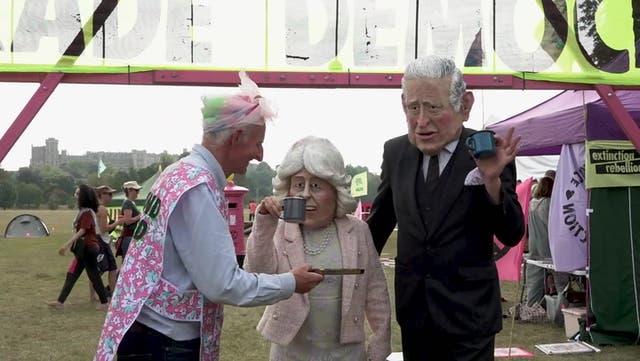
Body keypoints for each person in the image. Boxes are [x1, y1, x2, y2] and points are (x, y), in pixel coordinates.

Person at [95, 71, 324, 361]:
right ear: (237, 137)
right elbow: (222, 284)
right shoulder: (198, 187)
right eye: (258, 142)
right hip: (166, 343)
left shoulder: (178, 173)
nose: (260, 155)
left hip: (149, 332)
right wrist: (290, 282)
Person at [366, 55, 525, 361]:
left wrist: (491, 183)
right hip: (415, 313)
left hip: (470, 316)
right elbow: (377, 226)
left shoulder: (488, 150)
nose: (421, 121)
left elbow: (512, 232)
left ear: (464, 105)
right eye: (413, 108)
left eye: (433, 107)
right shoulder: (395, 151)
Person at [244, 136, 391, 361]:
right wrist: (264, 223)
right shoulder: (280, 229)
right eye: (299, 185)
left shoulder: (358, 230)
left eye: (315, 185)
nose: (304, 194)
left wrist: (379, 347)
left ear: (336, 190)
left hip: (347, 354)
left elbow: (376, 292)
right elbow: (257, 272)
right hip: (291, 352)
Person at [47, 184, 110, 311]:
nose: (75, 196)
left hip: (88, 248)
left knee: (93, 275)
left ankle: (104, 302)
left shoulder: (87, 212)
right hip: (83, 249)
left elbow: (82, 230)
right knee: (72, 274)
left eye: (77, 194)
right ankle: (60, 302)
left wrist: (66, 245)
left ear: (83, 197)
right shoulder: (84, 211)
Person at [525, 176, 569, 324]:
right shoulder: (549, 204)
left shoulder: (531, 203)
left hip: (534, 248)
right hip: (550, 249)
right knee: (562, 283)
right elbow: (556, 226)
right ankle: (561, 312)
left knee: (534, 283)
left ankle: (531, 309)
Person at [89, 185, 123, 301]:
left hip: (101, 240)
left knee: (112, 268)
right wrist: (118, 222)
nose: (111, 197)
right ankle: (94, 295)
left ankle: (112, 294)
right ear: (102, 195)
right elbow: (104, 229)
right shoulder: (102, 209)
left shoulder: (94, 207)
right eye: (109, 194)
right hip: (101, 241)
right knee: (100, 270)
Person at [115, 180, 142, 259]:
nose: (138, 192)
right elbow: (128, 221)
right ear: (129, 190)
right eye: (136, 190)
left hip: (130, 236)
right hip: (128, 237)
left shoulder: (130, 202)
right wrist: (140, 216)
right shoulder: (128, 203)